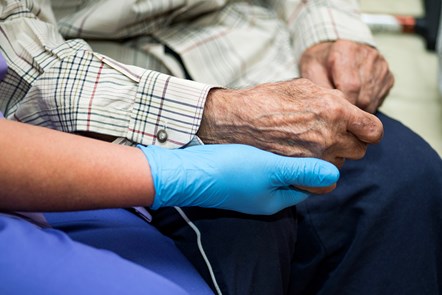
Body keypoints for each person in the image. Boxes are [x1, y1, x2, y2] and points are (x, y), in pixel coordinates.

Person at [0, 0, 441, 294]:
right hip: (103, 95)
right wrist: (212, 114)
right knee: (247, 237)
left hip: (254, 52)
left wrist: (329, 33)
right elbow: (17, 63)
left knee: (409, 182)